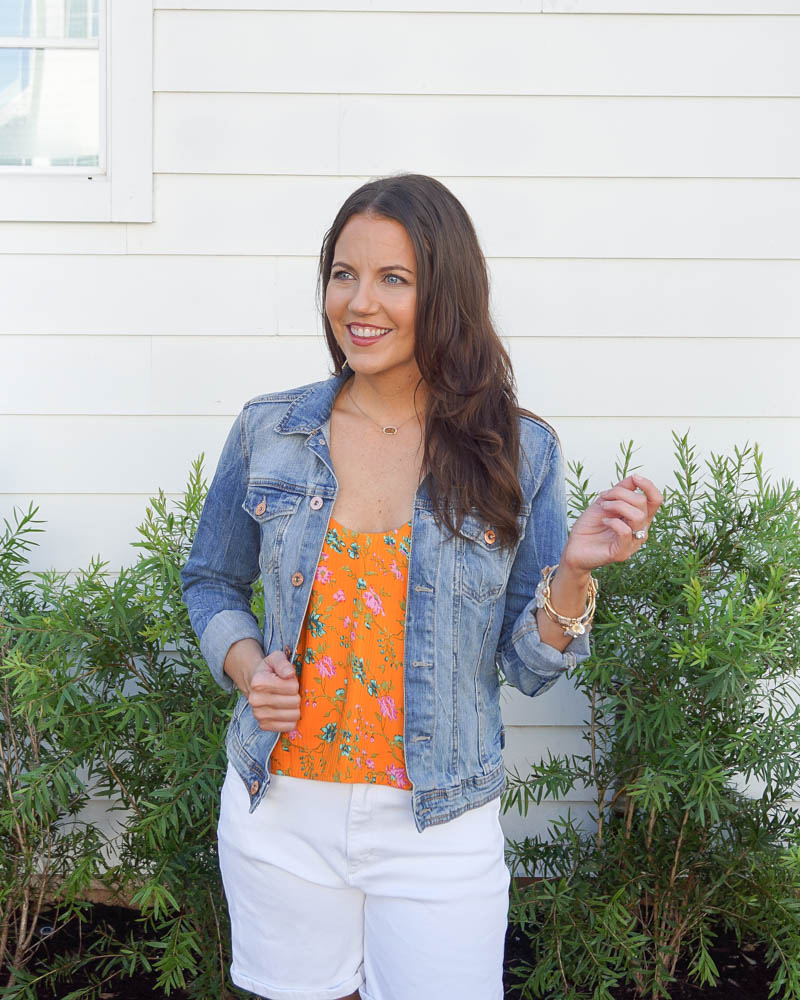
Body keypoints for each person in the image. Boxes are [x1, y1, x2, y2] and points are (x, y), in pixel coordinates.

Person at [180, 173, 662, 1000]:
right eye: (343, 273)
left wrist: (575, 571)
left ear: (446, 293)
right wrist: (248, 665)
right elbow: (210, 580)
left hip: (438, 821)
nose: (358, 302)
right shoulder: (272, 429)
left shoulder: (517, 451)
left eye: (393, 279)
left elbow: (532, 666)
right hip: (279, 808)